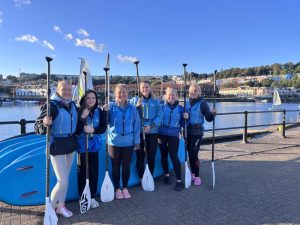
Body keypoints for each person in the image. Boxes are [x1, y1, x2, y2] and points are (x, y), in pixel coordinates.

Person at [34, 80, 78, 217]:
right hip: (57, 145)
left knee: (66, 179)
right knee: (62, 180)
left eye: (69, 90)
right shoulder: (51, 105)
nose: (67, 92)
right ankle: (50, 209)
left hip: (70, 144)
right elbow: (37, 127)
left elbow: (77, 124)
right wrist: (44, 123)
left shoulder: (73, 105)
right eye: (64, 89)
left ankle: (61, 206)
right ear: (57, 90)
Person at [104, 84, 140, 199]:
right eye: (119, 92)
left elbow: (137, 125)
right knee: (115, 166)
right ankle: (117, 189)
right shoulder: (110, 106)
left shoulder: (132, 108)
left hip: (128, 142)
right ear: (115, 94)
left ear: (127, 94)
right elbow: (105, 122)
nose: (122, 94)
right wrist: (104, 112)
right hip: (114, 142)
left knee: (126, 167)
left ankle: (125, 188)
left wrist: (137, 141)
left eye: (124, 92)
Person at [76, 90, 106, 208]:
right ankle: (82, 197)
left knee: (94, 173)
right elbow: (77, 130)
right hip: (83, 147)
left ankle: (92, 196)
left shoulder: (100, 112)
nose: (91, 100)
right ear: (85, 99)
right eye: (88, 98)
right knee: (82, 173)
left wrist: (93, 130)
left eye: (93, 98)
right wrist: (82, 117)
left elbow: (103, 128)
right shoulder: (79, 111)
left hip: (94, 147)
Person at [158, 87, 188, 191]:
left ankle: (179, 180)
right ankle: (166, 175)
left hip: (174, 134)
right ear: (166, 96)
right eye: (169, 95)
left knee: (174, 156)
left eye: (173, 95)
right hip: (161, 134)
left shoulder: (181, 109)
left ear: (177, 97)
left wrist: (186, 117)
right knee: (163, 155)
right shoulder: (162, 107)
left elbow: (183, 124)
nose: (171, 97)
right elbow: (157, 119)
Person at [186, 84, 216, 186]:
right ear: (189, 92)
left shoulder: (203, 104)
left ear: (199, 92)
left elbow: (208, 118)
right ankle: (192, 173)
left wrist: (212, 113)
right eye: (191, 91)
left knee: (193, 154)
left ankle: (197, 175)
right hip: (187, 131)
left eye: (195, 90)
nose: (193, 92)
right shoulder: (186, 103)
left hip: (197, 132)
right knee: (188, 154)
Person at [134, 81, 162, 181]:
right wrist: (136, 107)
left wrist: (151, 126)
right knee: (140, 156)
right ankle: (142, 178)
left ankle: (150, 176)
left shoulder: (156, 101)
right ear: (140, 89)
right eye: (143, 88)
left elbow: (160, 116)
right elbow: (132, 116)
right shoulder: (135, 100)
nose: (145, 89)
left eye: (146, 87)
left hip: (152, 132)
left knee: (151, 156)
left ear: (150, 88)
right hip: (139, 133)